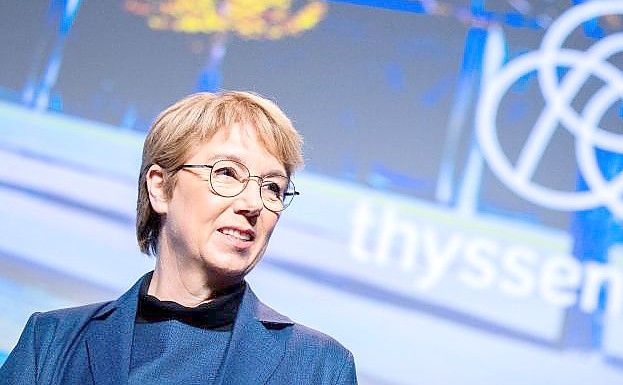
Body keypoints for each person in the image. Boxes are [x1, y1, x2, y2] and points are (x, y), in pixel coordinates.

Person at [0, 91, 357, 384]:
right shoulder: (50, 342)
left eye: (273, 187)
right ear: (160, 188)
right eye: (227, 173)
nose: (253, 204)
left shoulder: (318, 367)